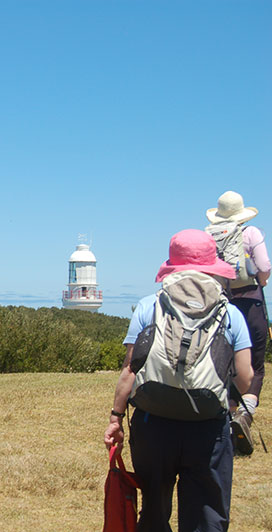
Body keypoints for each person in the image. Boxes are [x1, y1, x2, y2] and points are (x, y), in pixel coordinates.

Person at [104, 229, 253, 532]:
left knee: (154, 509)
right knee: (206, 513)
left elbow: (130, 369)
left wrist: (116, 418)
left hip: (153, 424)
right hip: (209, 427)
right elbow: (246, 377)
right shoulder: (231, 313)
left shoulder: (149, 306)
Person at [206, 191, 270, 455]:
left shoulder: (210, 235)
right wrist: (262, 280)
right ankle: (245, 415)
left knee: (228, 360)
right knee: (255, 362)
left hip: (223, 301)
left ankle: (230, 415)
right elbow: (264, 265)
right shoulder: (251, 233)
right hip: (251, 300)